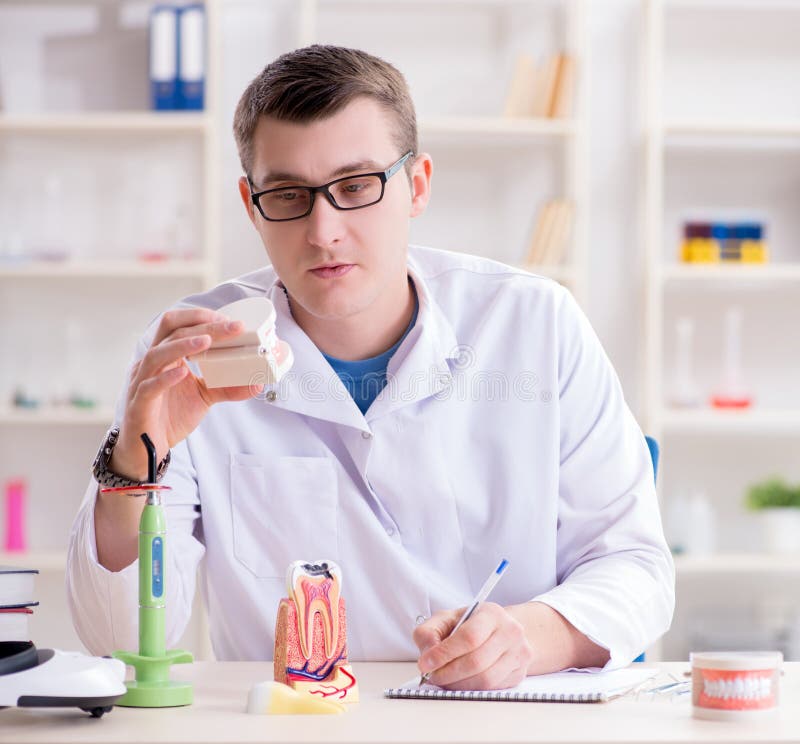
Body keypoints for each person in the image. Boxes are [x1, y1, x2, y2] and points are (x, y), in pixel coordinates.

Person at [66, 44, 674, 691]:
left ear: (417, 185)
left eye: (356, 187)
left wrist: (526, 637)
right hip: (293, 730)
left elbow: (636, 568)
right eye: (289, 195)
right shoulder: (190, 353)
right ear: (251, 205)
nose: (323, 230)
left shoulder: (535, 324)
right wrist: (137, 458)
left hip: (503, 718)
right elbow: (118, 639)